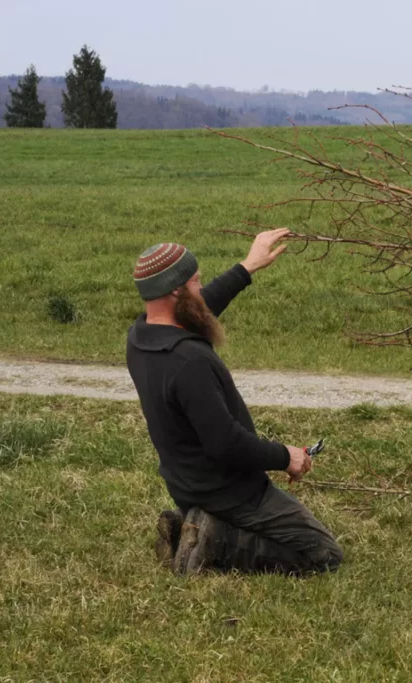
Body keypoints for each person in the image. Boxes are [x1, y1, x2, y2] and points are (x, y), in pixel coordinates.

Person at [125, 230, 343, 575]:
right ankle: (211, 539)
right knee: (323, 556)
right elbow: (225, 444)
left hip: (189, 484)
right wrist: (286, 456)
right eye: (196, 282)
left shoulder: (142, 338)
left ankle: (195, 522)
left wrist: (247, 267)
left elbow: (198, 309)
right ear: (176, 290)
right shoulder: (189, 361)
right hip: (231, 492)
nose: (201, 287)